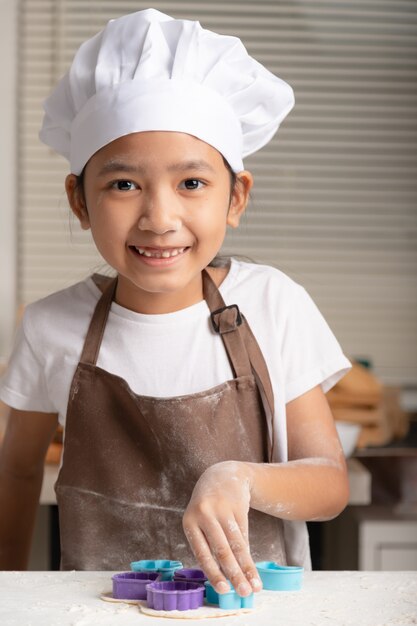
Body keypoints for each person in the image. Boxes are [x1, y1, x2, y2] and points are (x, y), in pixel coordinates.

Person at [0, 8, 351, 597]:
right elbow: (14, 470)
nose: (159, 218)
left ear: (235, 197)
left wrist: (237, 478)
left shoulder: (273, 304)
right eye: (122, 184)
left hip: (250, 611)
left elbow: (330, 485)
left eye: (191, 183)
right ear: (79, 201)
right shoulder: (50, 326)